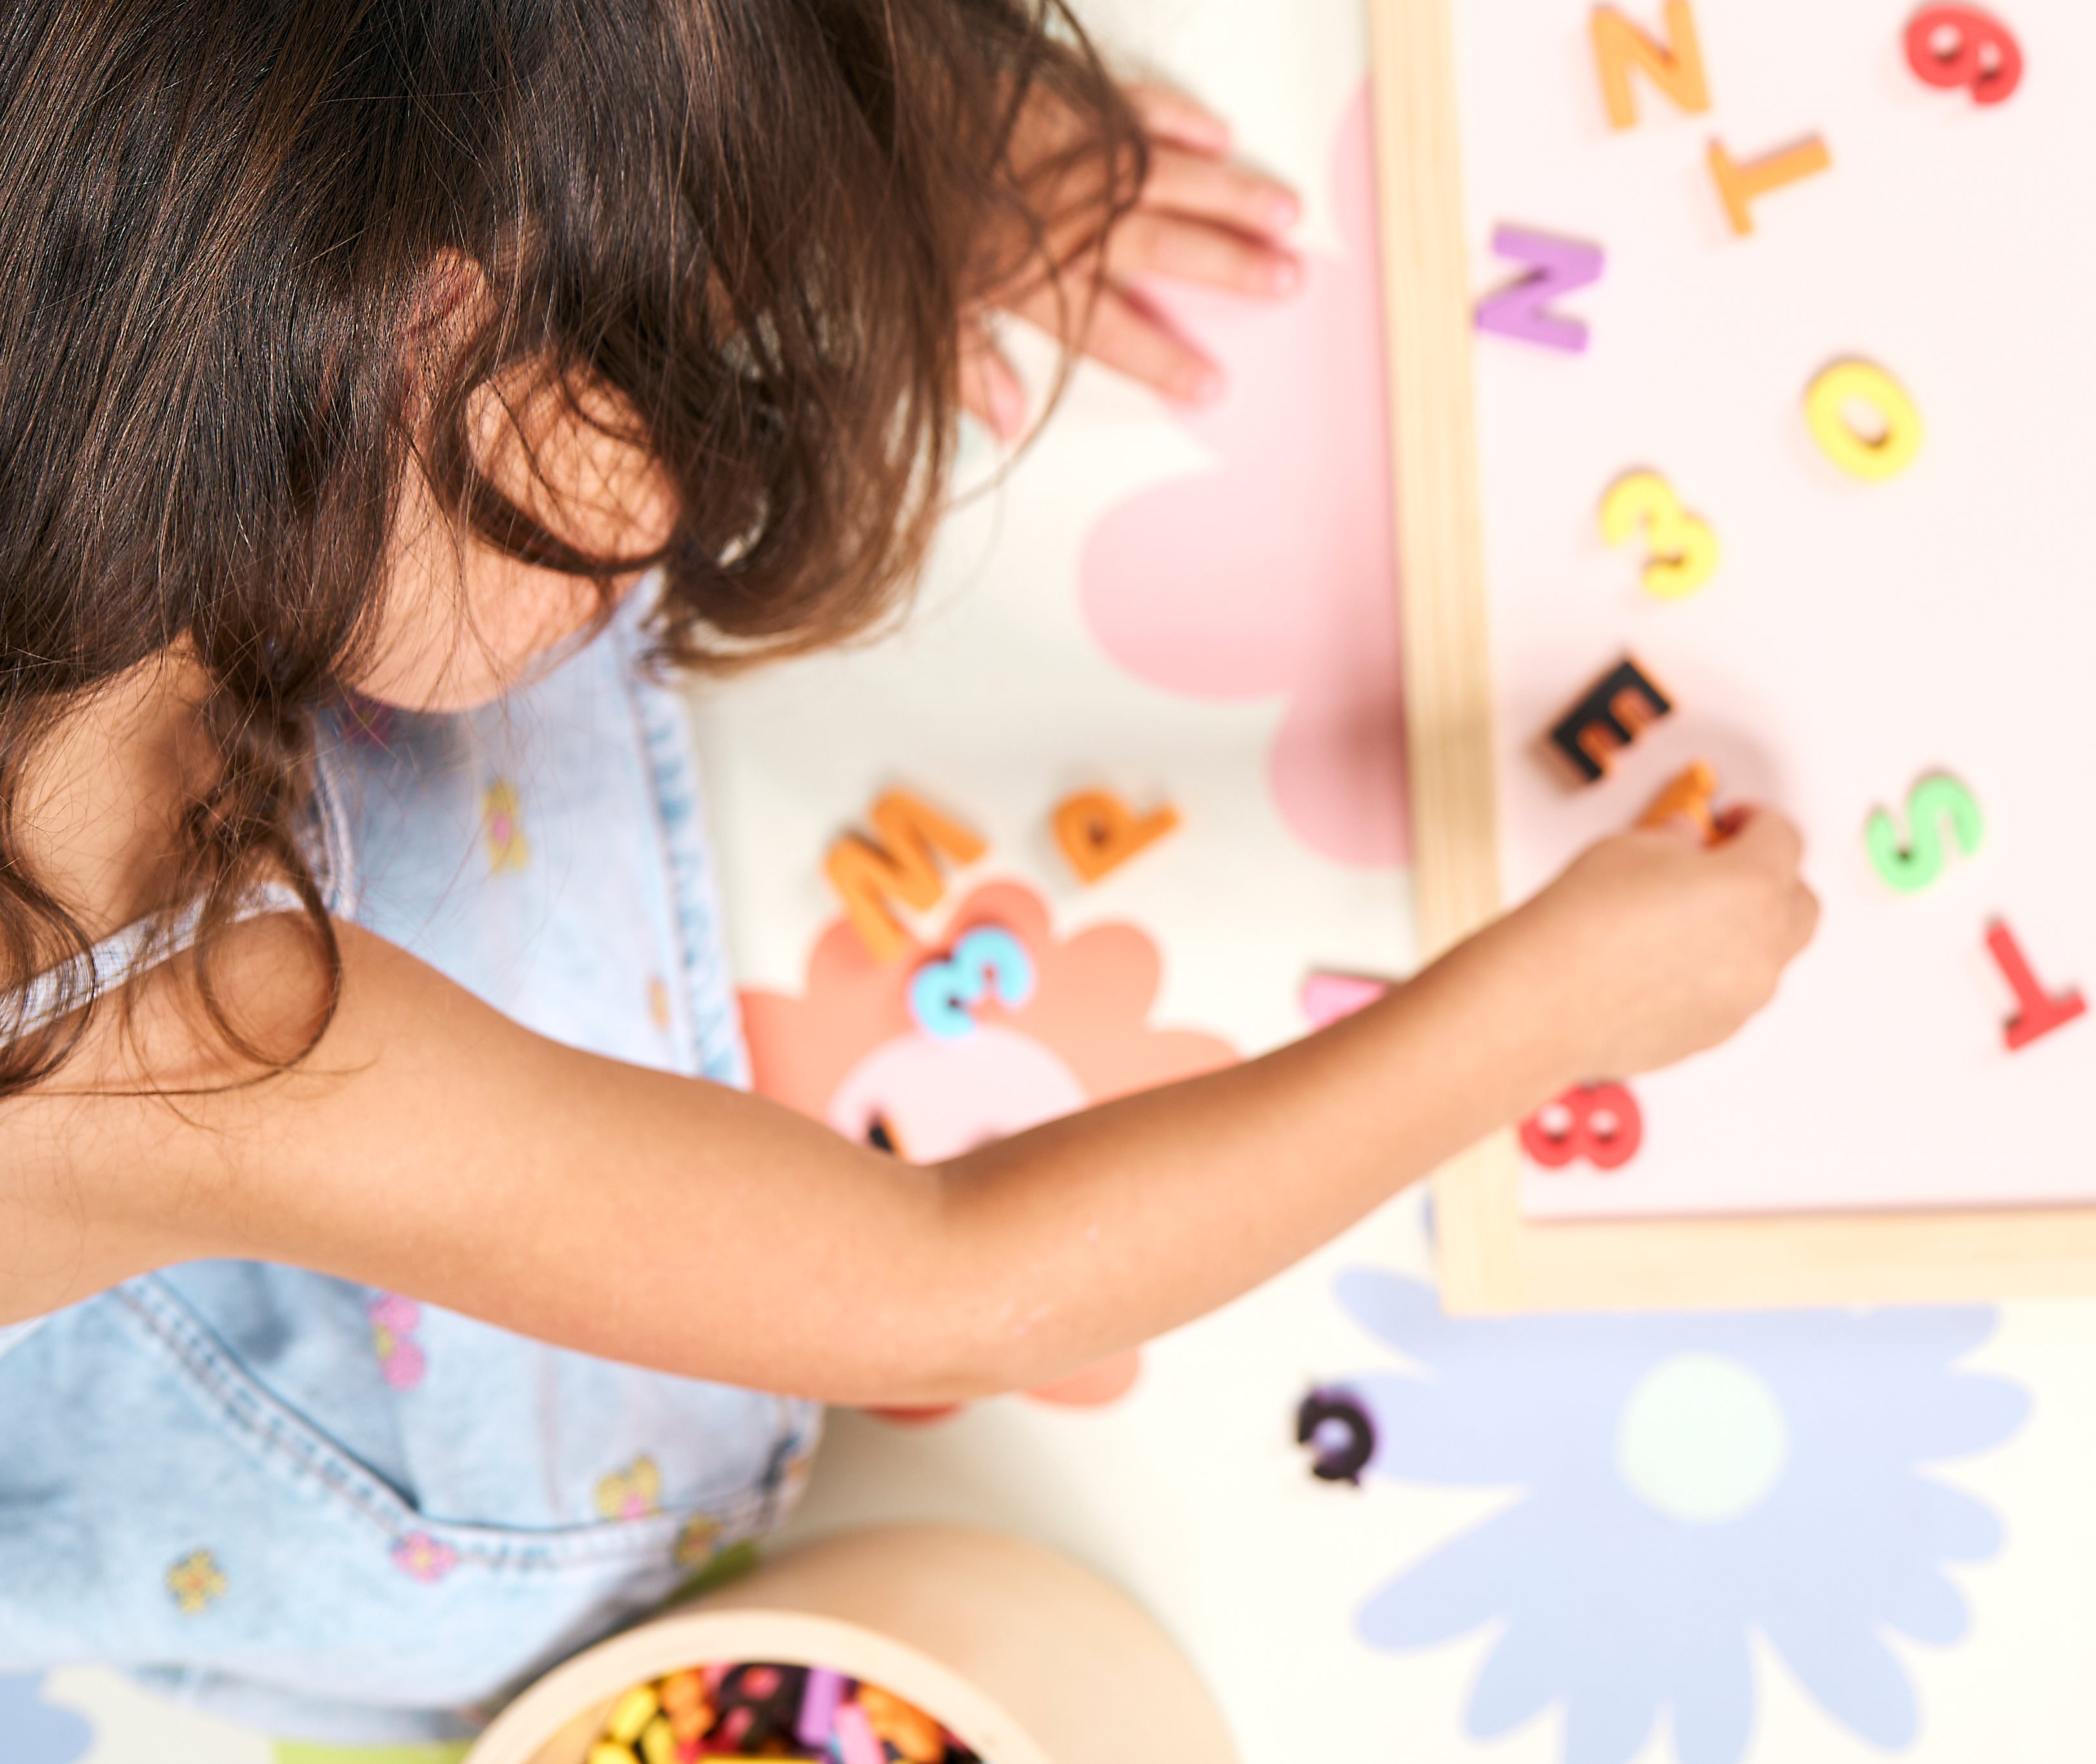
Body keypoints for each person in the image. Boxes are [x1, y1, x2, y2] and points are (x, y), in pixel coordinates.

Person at [0, 0, 1820, 1742]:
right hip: (224, 1444)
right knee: (573, 1481)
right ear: (403, 349)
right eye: (646, 372)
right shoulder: (171, 1056)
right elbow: (950, 1275)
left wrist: (866, 138)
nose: (680, 484)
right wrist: (1544, 1019)